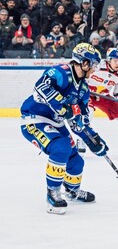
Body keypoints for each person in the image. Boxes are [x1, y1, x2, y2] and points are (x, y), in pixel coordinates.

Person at [20, 43, 108, 215]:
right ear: (84, 63)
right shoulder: (60, 72)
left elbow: (79, 121)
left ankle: (72, 191)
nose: (94, 70)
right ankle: (53, 193)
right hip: (34, 119)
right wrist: (62, 106)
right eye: (94, 65)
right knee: (61, 148)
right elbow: (40, 88)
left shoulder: (83, 89)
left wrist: (92, 139)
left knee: (76, 161)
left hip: (56, 123)